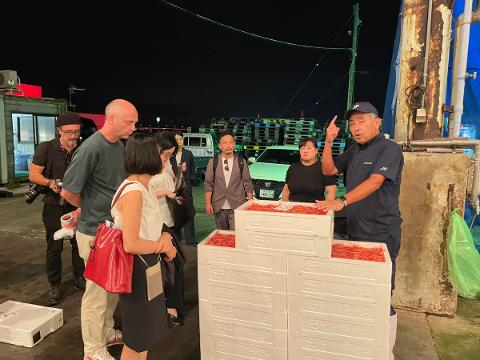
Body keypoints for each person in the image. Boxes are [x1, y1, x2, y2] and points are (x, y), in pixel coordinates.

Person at [316, 101, 403, 360]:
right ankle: (362, 348)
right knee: (358, 291)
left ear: (377, 122)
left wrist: (341, 201)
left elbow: (375, 182)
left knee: (380, 294)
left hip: (380, 233)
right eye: (352, 123)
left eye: (362, 120)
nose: (355, 127)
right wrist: (329, 141)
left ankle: (384, 352)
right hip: (354, 230)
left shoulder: (390, 149)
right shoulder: (353, 150)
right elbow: (329, 170)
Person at [60, 99, 138, 360]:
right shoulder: (91, 148)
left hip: (113, 230)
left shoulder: (119, 146)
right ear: (112, 119)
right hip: (95, 233)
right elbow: (69, 190)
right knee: (97, 294)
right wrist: (88, 209)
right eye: (130, 122)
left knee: (111, 290)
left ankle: (105, 333)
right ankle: (92, 350)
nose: (134, 127)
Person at [111, 132, 176, 360]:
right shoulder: (134, 191)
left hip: (146, 266)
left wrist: (162, 238)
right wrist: (163, 245)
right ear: (148, 156)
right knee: (137, 340)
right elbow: (131, 243)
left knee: (144, 336)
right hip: (137, 270)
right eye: (162, 154)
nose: (166, 159)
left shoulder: (142, 187)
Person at [29, 112, 85, 306]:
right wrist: (50, 181)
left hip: (78, 204)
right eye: (68, 132)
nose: (72, 136)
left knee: (80, 244)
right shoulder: (46, 148)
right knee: (54, 246)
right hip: (54, 204)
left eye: (76, 132)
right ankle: (55, 285)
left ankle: (80, 277)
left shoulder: (84, 148)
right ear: (59, 130)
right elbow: (34, 175)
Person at [151, 132, 185, 327]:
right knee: (154, 269)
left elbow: (173, 186)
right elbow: (141, 193)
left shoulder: (168, 164)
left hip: (166, 220)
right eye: (166, 154)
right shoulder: (145, 164)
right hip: (150, 222)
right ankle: (157, 307)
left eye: (171, 155)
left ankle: (172, 306)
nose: (168, 159)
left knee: (172, 264)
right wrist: (163, 191)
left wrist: (175, 175)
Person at [204, 131, 254, 230]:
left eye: (231, 142)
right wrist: (208, 203)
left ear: (234, 144)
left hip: (237, 205)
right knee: (222, 235)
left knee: (235, 235)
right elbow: (208, 184)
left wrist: (250, 202)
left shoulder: (241, 162)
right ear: (220, 145)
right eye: (225, 143)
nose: (228, 145)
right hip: (218, 206)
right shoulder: (213, 162)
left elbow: (247, 182)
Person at [281, 137, 337, 203]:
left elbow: (331, 192)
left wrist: (326, 207)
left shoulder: (325, 168)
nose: (305, 151)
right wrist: (284, 206)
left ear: (316, 151)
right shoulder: (293, 167)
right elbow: (286, 190)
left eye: (309, 148)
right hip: (293, 208)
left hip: (315, 209)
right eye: (302, 148)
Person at [171, 131, 197, 245]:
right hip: (172, 189)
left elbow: (193, 171)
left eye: (180, 139)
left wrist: (186, 175)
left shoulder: (188, 154)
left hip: (186, 188)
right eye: (176, 140)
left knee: (189, 212)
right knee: (174, 213)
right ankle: (177, 237)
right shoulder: (170, 155)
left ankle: (190, 239)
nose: (179, 142)